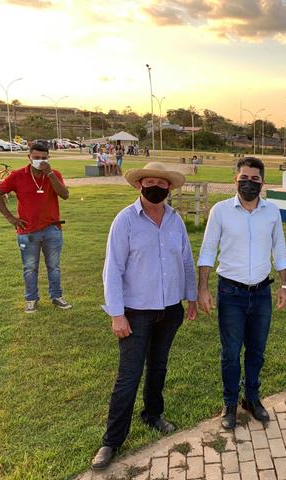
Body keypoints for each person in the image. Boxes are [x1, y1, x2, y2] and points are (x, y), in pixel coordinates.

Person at [91, 161, 198, 470]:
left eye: (162, 183)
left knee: (158, 366)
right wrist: (117, 314)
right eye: (150, 182)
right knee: (129, 375)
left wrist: (191, 297)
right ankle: (111, 440)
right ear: (140, 185)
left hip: (170, 310)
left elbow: (186, 261)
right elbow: (112, 270)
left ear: (169, 187)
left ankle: (153, 414)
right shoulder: (125, 220)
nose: (156, 187)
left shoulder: (175, 220)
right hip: (135, 313)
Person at [197, 157, 286, 430]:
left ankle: (251, 398)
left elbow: (279, 250)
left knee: (257, 351)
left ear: (263, 182)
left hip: (261, 293)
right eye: (244, 179)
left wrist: (285, 285)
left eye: (255, 179)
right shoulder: (220, 211)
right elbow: (208, 250)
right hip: (231, 292)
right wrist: (203, 288)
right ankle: (230, 404)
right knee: (231, 352)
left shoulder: (272, 212)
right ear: (235, 180)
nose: (249, 183)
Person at [0, 142, 72, 313]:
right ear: (29, 157)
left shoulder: (54, 174)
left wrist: (49, 174)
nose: (40, 161)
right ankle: (31, 299)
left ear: (48, 158)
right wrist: (11, 218)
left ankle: (56, 296)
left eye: (44, 158)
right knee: (30, 267)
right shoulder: (18, 175)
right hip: (28, 230)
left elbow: (64, 195)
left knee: (54, 267)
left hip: (52, 228)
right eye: (36, 157)